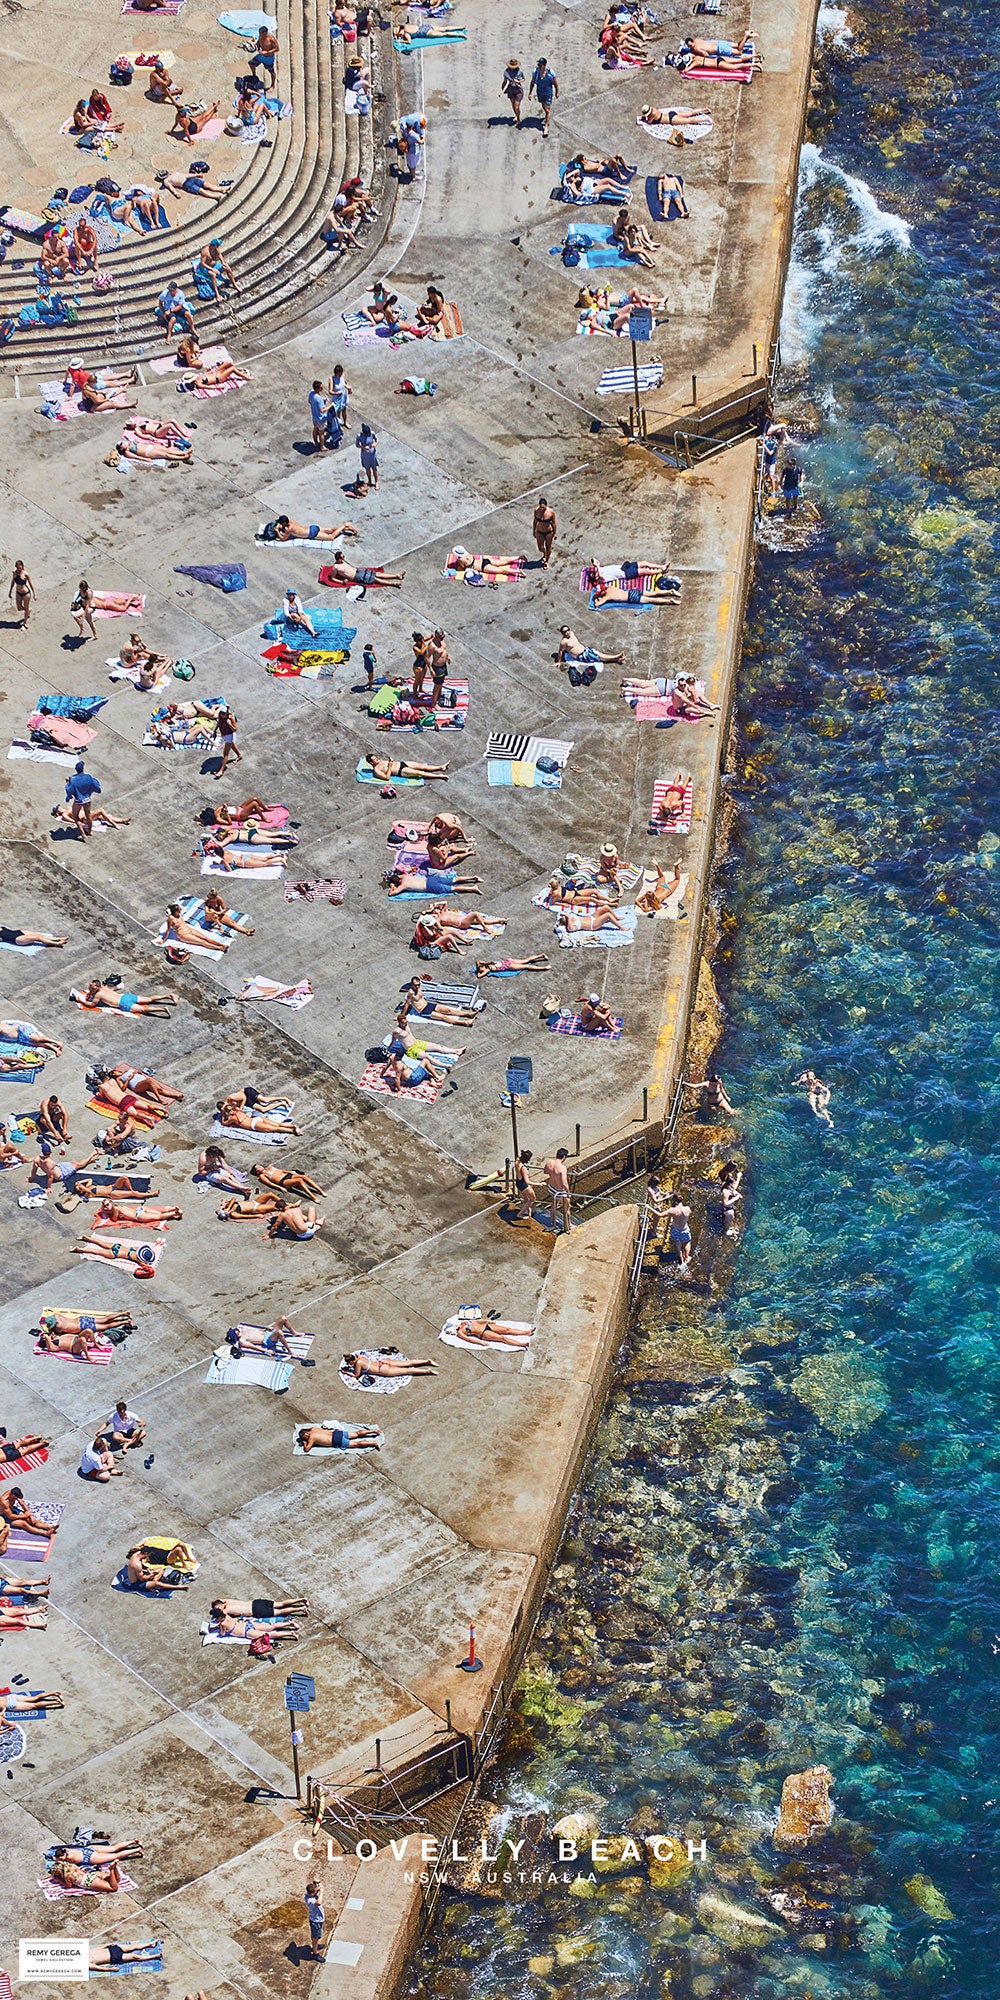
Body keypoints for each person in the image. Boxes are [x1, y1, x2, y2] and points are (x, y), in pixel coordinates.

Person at [324, 549, 406, 588]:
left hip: (359, 571)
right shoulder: (336, 567)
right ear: (338, 559)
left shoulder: (342, 562)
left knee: (378, 574)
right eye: (342, 557)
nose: (344, 558)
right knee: (375, 579)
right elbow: (332, 578)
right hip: (356, 577)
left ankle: (397, 576)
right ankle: (394, 584)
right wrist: (342, 581)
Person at [555, 626, 622, 669]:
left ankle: (616, 659)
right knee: (599, 657)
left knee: (598, 653)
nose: (567, 632)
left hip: (585, 650)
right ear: (562, 633)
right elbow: (560, 651)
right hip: (581, 656)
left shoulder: (572, 633)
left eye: (568, 630)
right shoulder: (564, 642)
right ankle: (615, 657)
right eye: (565, 632)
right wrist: (558, 661)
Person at [364, 751, 450, 782]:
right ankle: (439, 776)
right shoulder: (377, 770)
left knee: (421, 766)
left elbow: (390, 762)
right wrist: (390, 766)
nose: (377, 759)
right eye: (375, 759)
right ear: (371, 763)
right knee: (419, 773)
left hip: (402, 763)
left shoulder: (380, 761)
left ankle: (440, 767)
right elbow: (387, 778)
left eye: (376, 758)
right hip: (401, 771)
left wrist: (391, 761)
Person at [264, 515, 357, 542]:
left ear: (284, 523)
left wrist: (277, 531)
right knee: (331, 530)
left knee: (331, 537)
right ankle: (347, 528)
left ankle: (344, 526)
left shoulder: (289, 529)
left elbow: (283, 539)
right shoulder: (290, 521)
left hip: (312, 533)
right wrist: (281, 527)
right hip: (312, 527)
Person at [296, 1424, 382, 1452]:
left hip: (336, 1440)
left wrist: (304, 1442)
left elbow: (306, 1449)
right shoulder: (313, 1429)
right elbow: (310, 1428)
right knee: (357, 1433)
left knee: (356, 1444)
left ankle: (373, 1443)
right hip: (338, 1433)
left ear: (306, 1435)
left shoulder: (311, 1438)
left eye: (305, 1437)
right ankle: (374, 1431)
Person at [528, 56, 558, 135]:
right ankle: (546, 117)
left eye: (540, 65)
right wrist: (530, 93)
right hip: (540, 92)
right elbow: (532, 82)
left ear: (544, 65)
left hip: (548, 93)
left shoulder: (550, 72)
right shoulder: (536, 72)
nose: (538, 66)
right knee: (543, 106)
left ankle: (546, 127)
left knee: (547, 109)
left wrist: (557, 92)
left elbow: (555, 83)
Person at [544, 1148, 571, 1232]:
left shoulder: (549, 1162)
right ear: (564, 1157)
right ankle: (568, 1226)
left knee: (554, 1203)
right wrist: (568, 1192)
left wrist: (553, 1174)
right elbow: (564, 1183)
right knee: (567, 1207)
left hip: (551, 1188)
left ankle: (552, 1221)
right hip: (559, 1192)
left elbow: (545, 1171)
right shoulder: (562, 1168)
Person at [665, 1190, 693, 1270]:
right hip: (684, 1229)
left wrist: (649, 1207)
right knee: (687, 1242)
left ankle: (681, 1261)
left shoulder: (672, 1210)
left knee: (678, 1245)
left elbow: (660, 1215)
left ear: (674, 1201)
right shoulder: (687, 1209)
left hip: (676, 1230)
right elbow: (689, 1214)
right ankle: (686, 1258)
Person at [213, 704, 242, 776]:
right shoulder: (220, 715)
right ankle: (239, 756)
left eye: (224, 714)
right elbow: (219, 722)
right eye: (221, 714)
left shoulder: (231, 718)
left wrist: (229, 724)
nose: (222, 715)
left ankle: (221, 770)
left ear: (227, 713)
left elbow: (235, 729)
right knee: (232, 745)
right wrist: (215, 731)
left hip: (230, 735)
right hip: (224, 733)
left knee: (225, 753)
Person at [8, 559, 35, 627]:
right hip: (18, 592)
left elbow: (31, 584)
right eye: (17, 567)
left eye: (20, 567)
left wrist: (34, 593)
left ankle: (25, 623)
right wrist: (10, 591)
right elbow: (13, 582)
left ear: (22, 566)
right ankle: (28, 610)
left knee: (26, 607)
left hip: (26, 593)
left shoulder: (26, 574)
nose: (19, 569)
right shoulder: (14, 573)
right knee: (19, 608)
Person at [513, 1148, 536, 1224]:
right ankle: (520, 1214)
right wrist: (540, 1184)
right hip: (523, 1184)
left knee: (526, 1198)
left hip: (518, 1183)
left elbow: (521, 1153)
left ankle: (528, 1210)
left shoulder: (517, 1160)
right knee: (532, 1198)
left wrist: (524, 1151)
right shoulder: (523, 1168)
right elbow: (527, 1181)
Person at [499, 57, 525, 125]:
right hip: (510, 89)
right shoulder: (506, 72)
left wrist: (518, 81)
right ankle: (516, 115)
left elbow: (523, 79)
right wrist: (501, 90)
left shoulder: (519, 71)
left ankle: (518, 118)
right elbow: (505, 81)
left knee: (517, 106)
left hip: (518, 89)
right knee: (513, 104)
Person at [532, 497, 557, 567]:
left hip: (549, 532)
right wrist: (533, 531)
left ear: (546, 505)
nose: (542, 509)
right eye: (541, 507)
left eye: (544, 508)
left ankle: (546, 561)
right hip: (539, 532)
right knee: (540, 547)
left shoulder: (551, 512)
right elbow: (535, 521)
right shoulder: (536, 511)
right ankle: (544, 553)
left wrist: (555, 533)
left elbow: (554, 523)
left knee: (548, 547)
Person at [305, 1880, 325, 1960]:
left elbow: (315, 1886)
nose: (317, 1892)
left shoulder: (307, 1894)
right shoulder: (311, 1901)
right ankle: (315, 1953)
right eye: (316, 1892)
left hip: (317, 1920)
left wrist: (318, 1883)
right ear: (312, 1893)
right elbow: (319, 1902)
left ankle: (315, 1946)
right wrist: (321, 1892)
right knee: (315, 1937)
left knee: (316, 1936)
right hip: (316, 1921)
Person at [356, 422, 379, 489]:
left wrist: (375, 443)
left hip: (372, 454)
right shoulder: (359, 436)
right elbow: (357, 445)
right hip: (365, 455)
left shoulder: (372, 433)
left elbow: (377, 439)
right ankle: (369, 481)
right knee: (367, 469)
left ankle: (376, 482)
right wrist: (363, 447)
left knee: (374, 468)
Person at [309, 379, 330, 450]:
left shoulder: (311, 393)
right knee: (321, 433)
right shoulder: (319, 399)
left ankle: (315, 442)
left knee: (315, 429)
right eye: (321, 387)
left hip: (314, 417)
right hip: (320, 419)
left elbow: (309, 401)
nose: (322, 388)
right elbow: (322, 410)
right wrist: (330, 406)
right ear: (317, 389)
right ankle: (322, 446)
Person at [782, 454, 802, 520]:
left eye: (788, 465)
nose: (786, 466)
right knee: (788, 498)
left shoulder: (798, 469)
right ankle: (788, 510)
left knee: (795, 497)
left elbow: (801, 473)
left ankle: (795, 507)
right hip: (787, 486)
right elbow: (782, 476)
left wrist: (801, 481)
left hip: (795, 486)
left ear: (792, 466)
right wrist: (780, 483)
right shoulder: (786, 470)